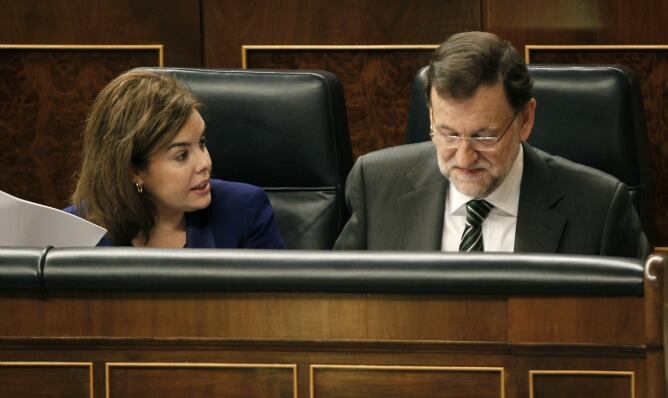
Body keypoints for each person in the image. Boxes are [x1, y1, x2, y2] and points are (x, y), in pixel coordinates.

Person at [334, 31, 649, 259]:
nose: (464, 157)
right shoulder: (375, 186)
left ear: (525, 119)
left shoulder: (599, 208)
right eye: (448, 134)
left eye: (483, 137)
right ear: (430, 116)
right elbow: (338, 311)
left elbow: (634, 334)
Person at [65, 70, 284, 249]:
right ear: (134, 171)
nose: (205, 163)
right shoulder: (75, 230)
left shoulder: (244, 212)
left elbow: (276, 303)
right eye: (181, 155)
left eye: (202, 143)